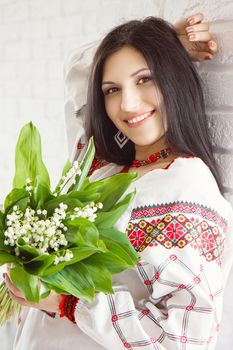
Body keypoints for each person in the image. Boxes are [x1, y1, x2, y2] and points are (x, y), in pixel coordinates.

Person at [4, 13, 233, 350]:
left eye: (145, 79)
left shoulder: (184, 187)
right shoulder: (102, 164)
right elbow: (77, 71)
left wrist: (67, 303)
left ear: (174, 78)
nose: (127, 104)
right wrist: (165, 39)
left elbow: (184, 339)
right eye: (113, 90)